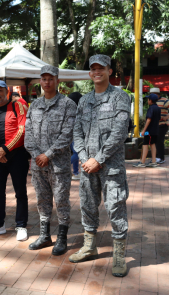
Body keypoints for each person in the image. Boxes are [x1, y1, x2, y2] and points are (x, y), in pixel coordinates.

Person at [71, 54, 130, 277]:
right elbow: (77, 131)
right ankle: (89, 246)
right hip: (88, 166)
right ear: (90, 73)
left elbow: (120, 131)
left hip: (111, 166)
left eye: (101, 68)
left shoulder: (119, 97)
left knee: (115, 207)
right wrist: (85, 157)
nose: (97, 72)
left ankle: (119, 255)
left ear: (109, 71)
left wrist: (99, 158)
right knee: (87, 205)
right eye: (93, 69)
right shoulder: (84, 100)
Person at [24, 65, 77, 255]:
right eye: (44, 79)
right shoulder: (35, 105)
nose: (47, 82)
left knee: (62, 200)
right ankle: (45, 236)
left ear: (57, 81)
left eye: (51, 79)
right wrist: (38, 154)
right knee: (42, 200)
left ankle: (62, 238)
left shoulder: (68, 105)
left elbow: (67, 134)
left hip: (59, 164)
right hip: (38, 165)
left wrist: (48, 154)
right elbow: (28, 133)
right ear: (40, 81)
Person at [0, 80, 30, 241]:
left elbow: (22, 130)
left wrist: (6, 149)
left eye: (0, 91)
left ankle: (21, 225)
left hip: (17, 155)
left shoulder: (18, 106)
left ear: (7, 92)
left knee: (20, 192)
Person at [133, 93, 161, 168]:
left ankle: (142, 162)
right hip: (155, 130)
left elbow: (148, 119)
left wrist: (143, 130)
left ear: (150, 100)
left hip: (149, 131)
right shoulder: (158, 108)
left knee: (145, 144)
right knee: (153, 144)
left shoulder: (151, 108)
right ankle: (154, 161)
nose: (147, 100)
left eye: (148, 99)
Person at [151, 88, 169, 164]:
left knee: (159, 140)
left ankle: (160, 157)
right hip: (155, 124)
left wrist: (167, 116)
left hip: (163, 124)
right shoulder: (152, 101)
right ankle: (157, 157)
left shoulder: (165, 100)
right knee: (155, 141)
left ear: (156, 94)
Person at [69, 92, 83, 180]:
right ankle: (64, 166)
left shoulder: (68, 108)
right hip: (76, 135)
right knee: (77, 154)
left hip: (70, 136)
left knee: (75, 153)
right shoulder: (78, 110)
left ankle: (75, 172)